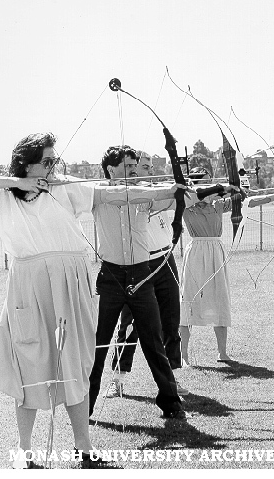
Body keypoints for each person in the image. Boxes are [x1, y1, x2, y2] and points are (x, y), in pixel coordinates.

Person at [0, 133, 186, 468]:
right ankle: (24, 452)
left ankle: (84, 449)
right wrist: (21, 181)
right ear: (27, 162)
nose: (54, 167)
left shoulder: (67, 187)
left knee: (76, 363)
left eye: (56, 160)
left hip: (70, 283)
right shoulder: (4, 192)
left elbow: (117, 194)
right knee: (29, 363)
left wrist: (169, 191)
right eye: (47, 161)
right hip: (29, 285)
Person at [89, 145, 192, 420]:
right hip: (111, 276)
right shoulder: (99, 193)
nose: (134, 173)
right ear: (111, 170)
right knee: (99, 342)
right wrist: (169, 190)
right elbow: (121, 196)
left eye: (136, 168)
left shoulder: (145, 195)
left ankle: (171, 403)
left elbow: (182, 200)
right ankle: (85, 408)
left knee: (153, 340)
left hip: (141, 274)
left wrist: (187, 189)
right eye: (127, 168)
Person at [179, 166, 274, 365]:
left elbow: (248, 201)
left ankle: (222, 353)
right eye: (204, 182)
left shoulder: (218, 205)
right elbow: (190, 196)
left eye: (210, 181)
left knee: (220, 297)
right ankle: (183, 356)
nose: (210, 186)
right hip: (196, 251)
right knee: (188, 301)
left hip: (215, 251)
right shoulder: (187, 204)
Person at [108, 151, 188, 397]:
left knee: (170, 320)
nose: (147, 171)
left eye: (150, 166)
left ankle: (171, 379)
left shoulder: (159, 189)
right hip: (141, 265)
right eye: (143, 166)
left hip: (165, 258)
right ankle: (117, 379)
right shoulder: (129, 195)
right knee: (130, 323)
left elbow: (178, 199)